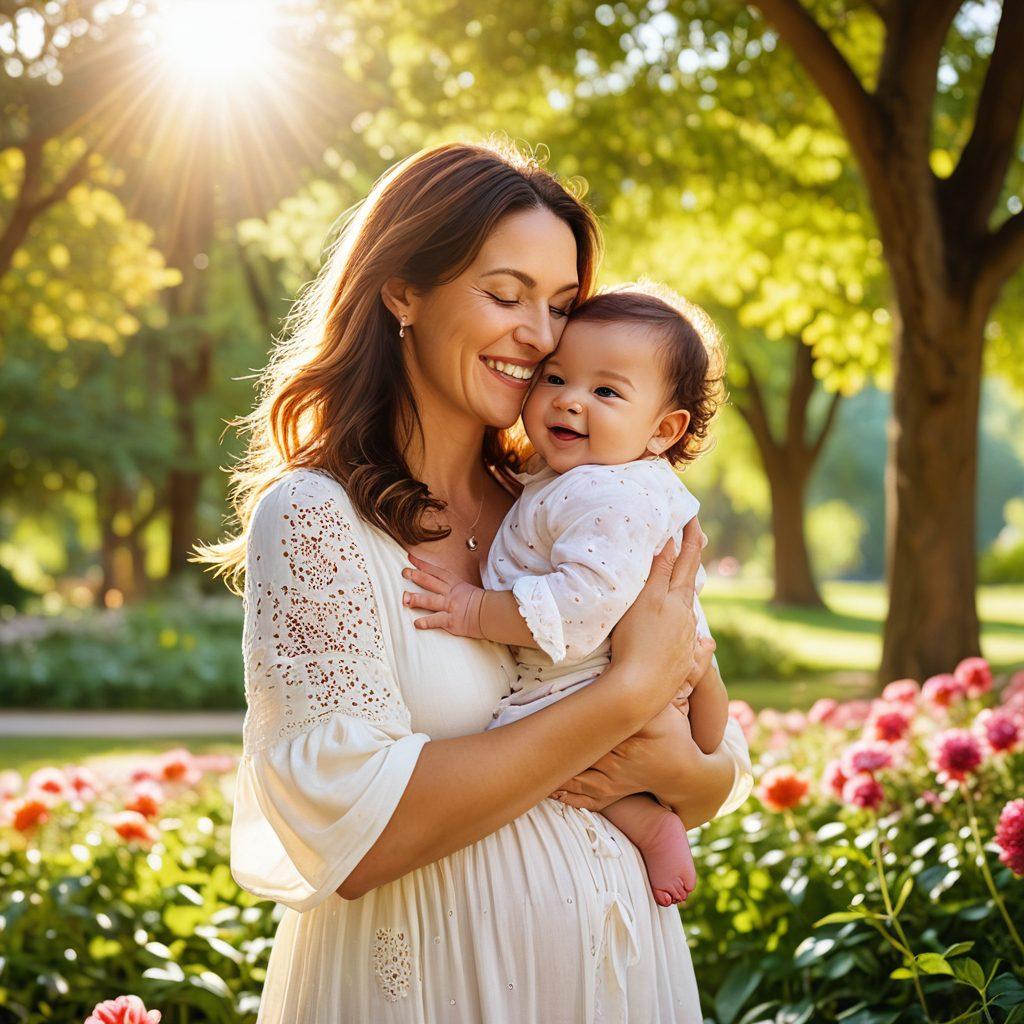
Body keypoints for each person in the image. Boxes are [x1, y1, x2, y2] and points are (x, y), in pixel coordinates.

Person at [195, 140, 753, 1023]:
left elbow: (718, 768)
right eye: (505, 294)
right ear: (403, 290)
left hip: (621, 982)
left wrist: (681, 766)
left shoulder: (573, 507)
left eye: (561, 305)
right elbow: (357, 830)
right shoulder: (317, 519)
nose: (540, 336)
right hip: (426, 987)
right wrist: (629, 692)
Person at [401, 283, 730, 910]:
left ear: (663, 429)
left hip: (586, 672)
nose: (570, 401)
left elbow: (578, 606)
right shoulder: (588, 481)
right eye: (554, 379)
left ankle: (648, 821)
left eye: (605, 391)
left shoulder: (608, 494)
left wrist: (474, 610)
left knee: (539, 740)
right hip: (668, 672)